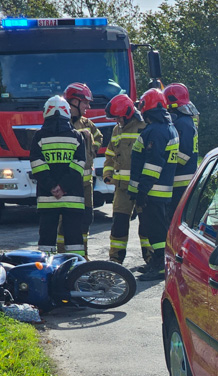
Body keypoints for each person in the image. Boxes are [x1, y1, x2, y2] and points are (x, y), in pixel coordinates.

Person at [129, 88, 179, 281]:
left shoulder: (157, 131)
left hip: (153, 192)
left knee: (157, 231)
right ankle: (157, 262)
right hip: (158, 191)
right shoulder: (165, 127)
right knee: (153, 229)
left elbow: (152, 165)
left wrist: (142, 191)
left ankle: (161, 265)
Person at [29, 96, 87, 256]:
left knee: (46, 239)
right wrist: (63, 186)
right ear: (67, 113)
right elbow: (79, 164)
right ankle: (77, 271)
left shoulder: (39, 137)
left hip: (48, 198)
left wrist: (52, 186)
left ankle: (45, 273)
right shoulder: (76, 137)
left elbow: (36, 164)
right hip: (73, 198)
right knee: (74, 238)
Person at [102, 94, 153, 267]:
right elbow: (109, 154)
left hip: (141, 187)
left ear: (129, 113)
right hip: (122, 188)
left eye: (118, 117)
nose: (116, 120)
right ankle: (115, 260)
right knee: (119, 224)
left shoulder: (145, 127)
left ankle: (150, 259)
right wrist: (107, 173)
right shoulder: (117, 129)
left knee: (146, 225)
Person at [56, 82, 103, 256]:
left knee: (86, 220)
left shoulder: (86, 124)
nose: (88, 107)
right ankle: (62, 255)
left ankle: (82, 256)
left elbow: (99, 137)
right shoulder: (60, 123)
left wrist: (92, 150)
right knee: (65, 222)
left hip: (86, 184)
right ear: (74, 102)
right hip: (68, 184)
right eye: (86, 103)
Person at [164, 83, 199, 216]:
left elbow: (183, 154)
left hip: (181, 182)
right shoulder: (185, 121)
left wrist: (166, 165)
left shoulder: (182, 123)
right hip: (183, 180)